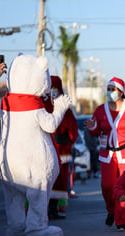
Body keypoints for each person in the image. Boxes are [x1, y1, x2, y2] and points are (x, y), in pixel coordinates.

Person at [84, 76, 125, 231]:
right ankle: (111, 210)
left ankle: (121, 220)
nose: (110, 92)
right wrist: (93, 127)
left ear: (121, 92)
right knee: (107, 186)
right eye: (108, 89)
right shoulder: (101, 110)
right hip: (107, 155)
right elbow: (95, 132)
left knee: (124, 187)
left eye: (113, 89)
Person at [43, 76, 79, 219]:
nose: (52, 92)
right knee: (44, 181)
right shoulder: (42, 106)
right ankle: (43, 211)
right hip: (45, 150)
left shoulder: (65, 109)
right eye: (50, 88)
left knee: (59, 181)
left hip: (62, 151)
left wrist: (69, 140)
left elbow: (73, 129)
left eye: (55, 88)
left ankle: (54, 209)